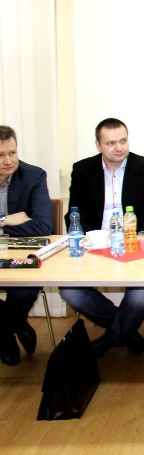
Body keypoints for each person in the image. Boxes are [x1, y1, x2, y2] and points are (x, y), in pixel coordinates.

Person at [59, 118, 144, 358]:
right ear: (98, 145)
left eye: (123, 141)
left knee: (142, 294)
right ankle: (126, 331)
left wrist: (135, 242)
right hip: (96, 245)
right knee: (70, 291)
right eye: (110, 143)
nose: (119, 148)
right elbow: (77, 213)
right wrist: (93, 239)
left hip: (135, 246)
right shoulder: (83, 169)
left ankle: (111, 340)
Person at [0, 125, 52, 366]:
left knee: (25, 290)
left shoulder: (34, 176)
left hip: (20, 253)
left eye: (12, 153)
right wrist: (5, 221)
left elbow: (43, 226)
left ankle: (4, 332)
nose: (9, 161)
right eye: (1, 155)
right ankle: (14, 326)